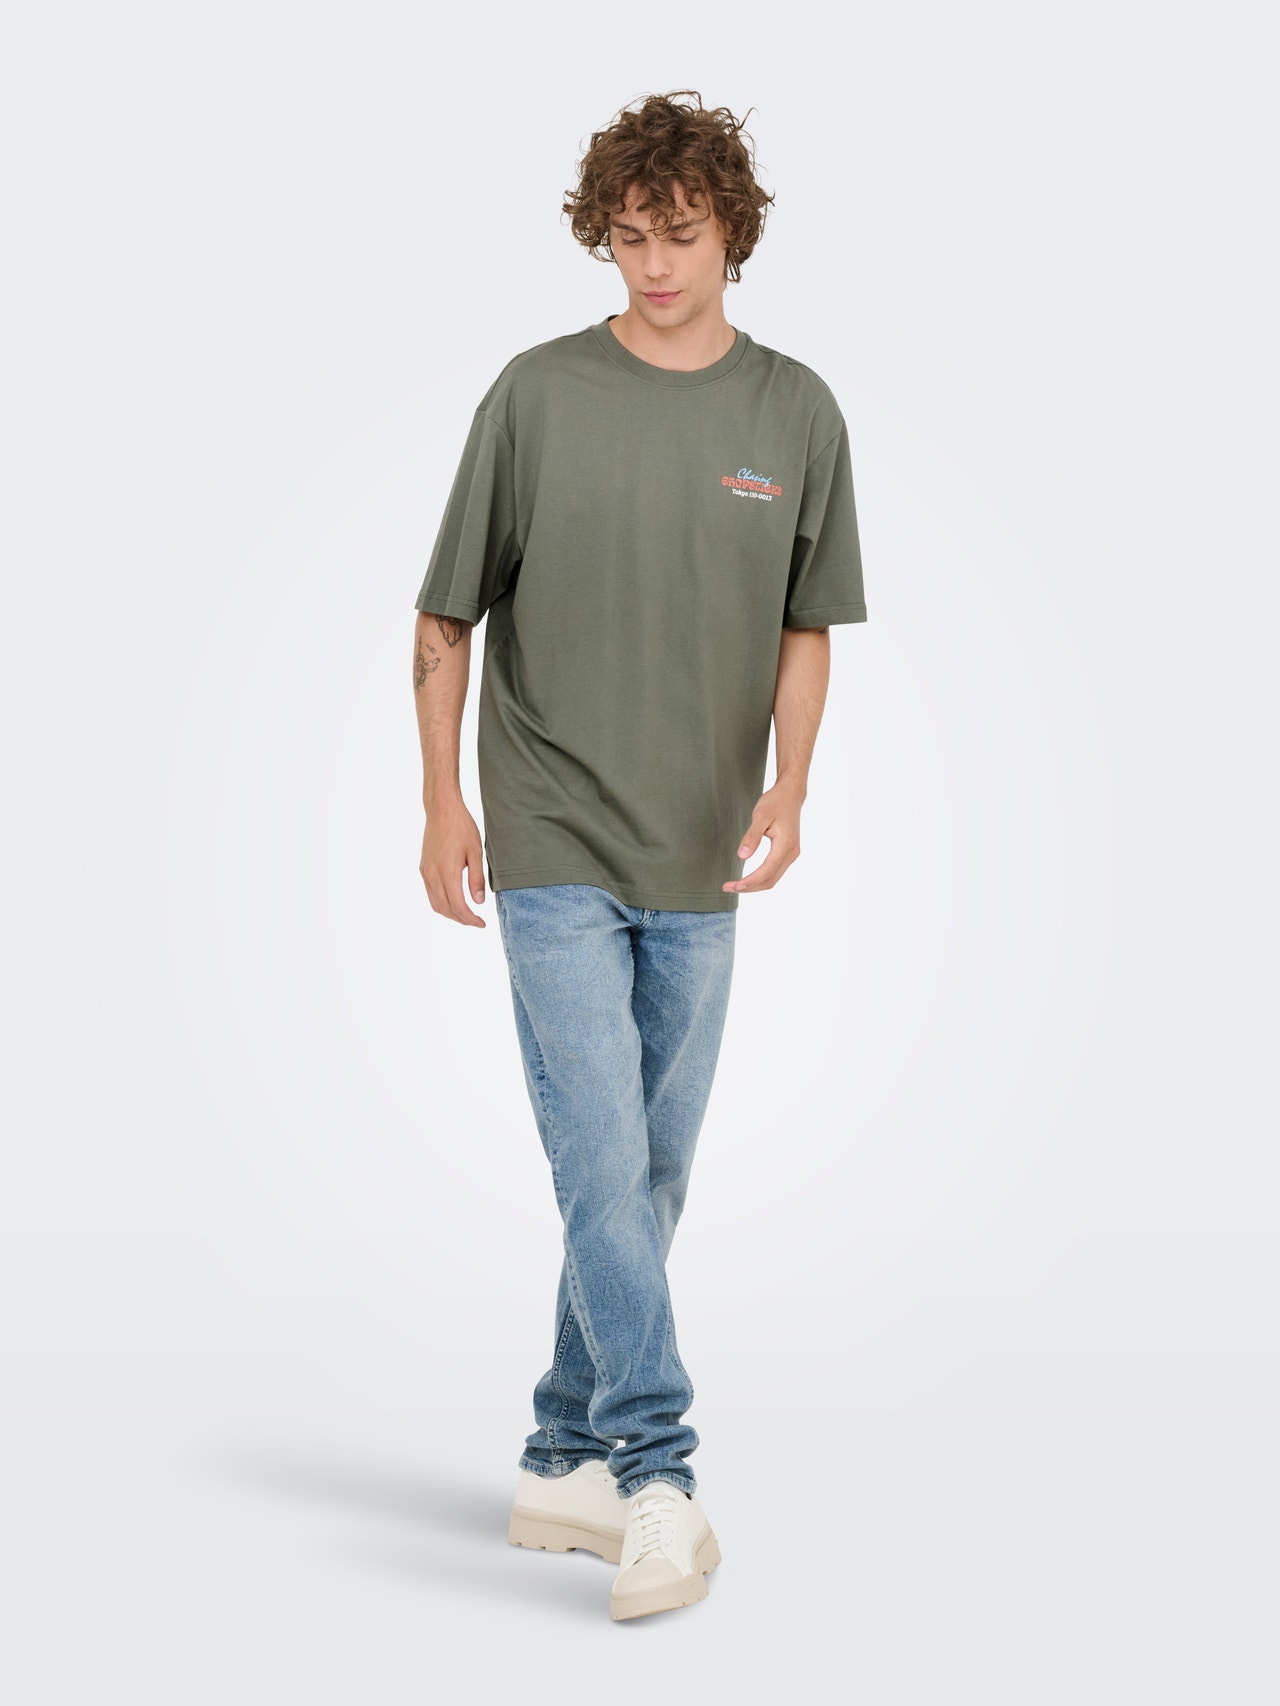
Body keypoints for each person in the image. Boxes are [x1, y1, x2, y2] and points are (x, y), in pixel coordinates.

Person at [411, 89, 867, 1621]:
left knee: (648, 1176)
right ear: (600, 235)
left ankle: (561, 1454)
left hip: (702, 852)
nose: (654, 264)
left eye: (680, 233)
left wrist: (793, 785)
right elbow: (446, 611)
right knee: (601, 1162)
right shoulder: (536, 394)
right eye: (627, 235)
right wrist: (442, 799)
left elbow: (808, 624)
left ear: (734, 230)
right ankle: (659, 1476)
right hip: (549, 834)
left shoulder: (795, 413)